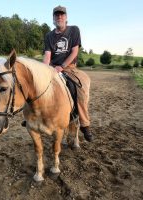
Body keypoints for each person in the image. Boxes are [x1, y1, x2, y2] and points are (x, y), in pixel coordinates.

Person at [43, 5, 93, 142]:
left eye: (62, 15)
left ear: (66, 17)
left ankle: (84, 123)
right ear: (53, 18)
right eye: (57, 15)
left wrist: (62, 66)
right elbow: (47, 56)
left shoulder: (74, 30)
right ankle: (34, 117)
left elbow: (74, 52)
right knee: (37, 86)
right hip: (52, 68)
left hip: (69, 67)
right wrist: (43, 71)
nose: (59, 17)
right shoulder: (49, 36)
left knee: (79, 88)